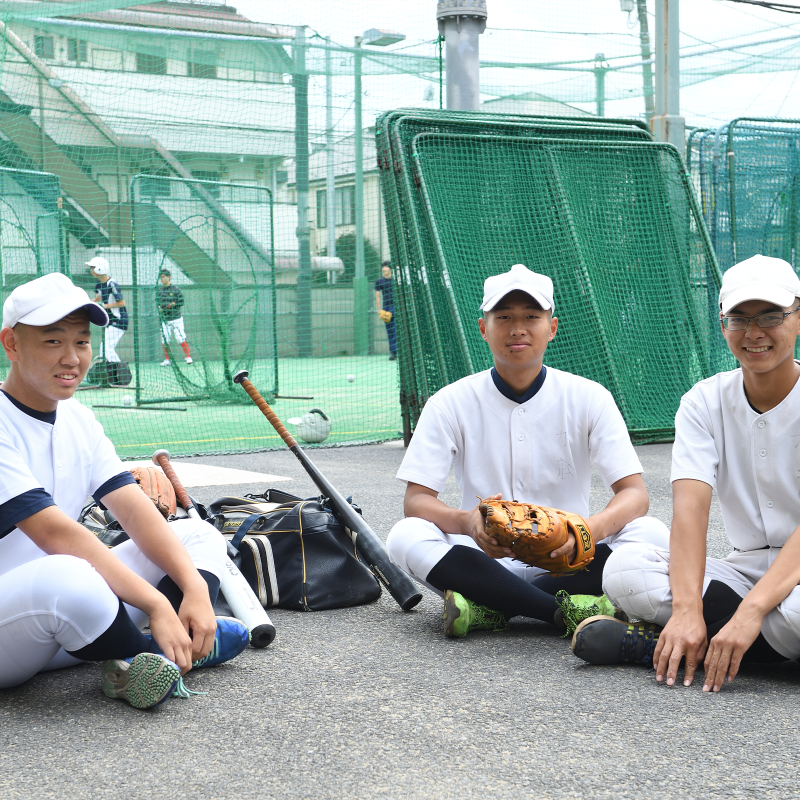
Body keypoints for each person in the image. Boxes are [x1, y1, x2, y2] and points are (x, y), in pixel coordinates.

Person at [0, 273, 248, 709]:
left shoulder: (77, 417)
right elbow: (56, 535)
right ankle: (156, 652)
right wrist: (156, 604)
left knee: (197, 535)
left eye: (81, 341)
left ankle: (141, 660)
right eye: (53, 341)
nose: (72, 357)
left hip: (75, 621)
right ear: (12, 344)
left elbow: (134, 512)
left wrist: (192, 589)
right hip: (16, 623)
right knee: (69, 573)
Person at [385, 263, 669, 638]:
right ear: (484, 328)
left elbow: (634, 495)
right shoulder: (449, 401)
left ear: (551, 328)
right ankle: (558, 611)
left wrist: (585, 532)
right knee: (404, 535)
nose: (517, 328)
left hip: (568, 559)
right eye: (503, 316)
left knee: (651, 533)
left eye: (531, 316)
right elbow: (417, 501)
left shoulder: (589, 396)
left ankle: (491, 606)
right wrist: (468, 522)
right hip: (482, 557)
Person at [574, 255, 800, 693]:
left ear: (798, 317)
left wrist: (751, 613)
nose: (753, 332)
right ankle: (750, 648)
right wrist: (685, 611)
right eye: (739, 319)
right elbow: (691, 511)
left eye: (770, 316)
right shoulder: (703, 401)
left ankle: (654, 649)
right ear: (722, 325)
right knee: (624, 569)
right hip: (744, 567)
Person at [88, 256, 127, 365]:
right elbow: (98, 299)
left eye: (92, 268)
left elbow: (122, 303)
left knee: (106, 348)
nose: (91, 270)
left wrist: (105, 306)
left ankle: (121, 372)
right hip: (110, 322)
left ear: (100, 268)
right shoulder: (99, 284)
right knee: (104, 349)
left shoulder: (112, 284)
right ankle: (107, 374)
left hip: (119, 320)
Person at [156, 269, 193, 366]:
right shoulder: (160, 291)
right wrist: (160, 307)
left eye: (164, 277)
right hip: (165, 319)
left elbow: (181, 302)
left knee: (180, 338)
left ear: (169, 277)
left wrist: (172, 304)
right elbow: (158, 303)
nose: (162, 279)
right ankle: (167, 360)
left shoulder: (176, 289)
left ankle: (188, 357)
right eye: (161, 277)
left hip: (176, 318)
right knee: (165, 340)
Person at [375, 261, 397, 361]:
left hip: (396, 307)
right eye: (383, 267)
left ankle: (395, 350)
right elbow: (377, 296)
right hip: (386, 308)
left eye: (386, 267)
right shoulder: (379, 281)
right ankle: (393, 353)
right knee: (389, 331)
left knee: (395, 329)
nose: (384, 269)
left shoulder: (395, 280)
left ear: (390, 269)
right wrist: (380, 310)